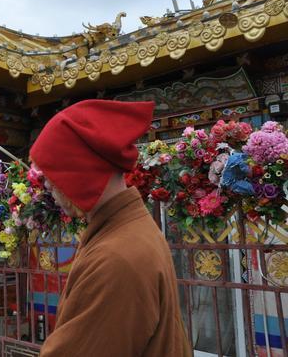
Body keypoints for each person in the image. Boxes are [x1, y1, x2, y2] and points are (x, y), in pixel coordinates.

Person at [30, 100, 192, 357]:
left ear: (80, 169)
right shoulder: (123, 231)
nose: (46, 184)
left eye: (52, 172)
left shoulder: (116, 258)